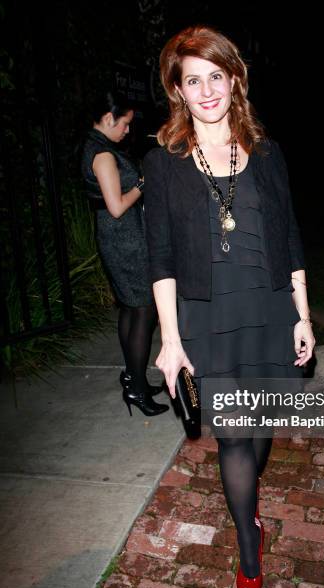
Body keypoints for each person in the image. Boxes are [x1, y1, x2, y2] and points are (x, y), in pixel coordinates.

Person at [144, 26, 315, 588]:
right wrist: (170, 342)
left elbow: (290, 236)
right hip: (205, 315)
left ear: (234, 79)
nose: (207, 89)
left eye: (216, 75)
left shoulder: (267, 155)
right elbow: (160, 256)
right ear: (179, 92)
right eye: (193, 80)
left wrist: (303, 314)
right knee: (235, 437)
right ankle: (248, 546)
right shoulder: (162, 163)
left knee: (260, 431)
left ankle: (251, 518)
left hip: (267, 309)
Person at [81, 91, 167, 418]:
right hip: (124, 239)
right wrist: (143, 184)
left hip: (120, 238)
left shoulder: (97, 147)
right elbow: (117, 207)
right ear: (108, 118)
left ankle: (133, 377)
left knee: (131, 310)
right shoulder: (102, 155)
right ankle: (136, 388)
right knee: (143, 310)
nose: (128, 130)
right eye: (125, 124)